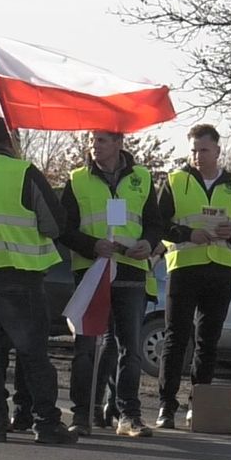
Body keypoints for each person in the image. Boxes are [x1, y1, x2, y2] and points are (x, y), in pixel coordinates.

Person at [0, 116, 78, 444]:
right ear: (11, 143)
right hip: (22, 274)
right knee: (32, 351)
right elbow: (54, 224)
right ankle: (45, 423)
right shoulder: (25, 173)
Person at [153, 124, 231, 429]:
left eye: (204, 150)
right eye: (193, 150)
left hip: (220, 270)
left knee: (208, 340)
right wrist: (187, 233)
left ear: (217, 151)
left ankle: (197, 405)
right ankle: (166, 405)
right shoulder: (175, 181)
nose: (198, 156)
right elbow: (159, 225)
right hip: (184, 267)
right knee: (175, 338)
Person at [60, 130, 162, 437]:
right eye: (91, 140)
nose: (94, 146)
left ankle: (128, 415)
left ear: (119, 144)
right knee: (87, 346)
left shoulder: (142, 178)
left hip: (130, 269)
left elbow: (155, 222)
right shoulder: (77, 179)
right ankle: (82, 414)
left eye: (102, 140)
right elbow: (63, 227)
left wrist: (148, 241)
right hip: (92, 271)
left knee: (129, 347)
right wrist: (91, 245)